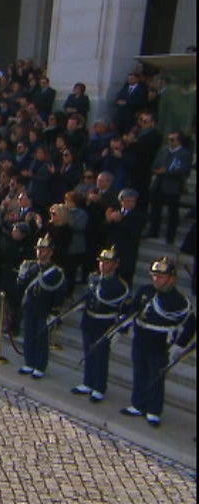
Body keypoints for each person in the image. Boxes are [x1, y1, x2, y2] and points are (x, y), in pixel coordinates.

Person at [120, 257, 195, 427]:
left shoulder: (179, 301)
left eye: (161, 276)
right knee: (140, 373)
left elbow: (190, 325)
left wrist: (179, 346)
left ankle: (154, 410)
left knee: (156, 377)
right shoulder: (146, 291)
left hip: (160, 343)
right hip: (141, 338)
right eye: (154, 275)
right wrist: (125, 319)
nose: (156, 279)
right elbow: (133, 309)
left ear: (172, 278)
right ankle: (138, 404)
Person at [72, 246, 131, 403]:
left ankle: (99, 387)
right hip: (90, 320)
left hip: (105, 323)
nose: (103, 265)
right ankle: (88, 382)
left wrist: (120, 330)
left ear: (116, 264)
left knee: (101, 357)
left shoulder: (120, 286)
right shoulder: (94, 278)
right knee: (88, 353)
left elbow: (125, 310)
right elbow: (89, 298)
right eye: (101, 262)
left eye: (107, 262)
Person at [17, 234, 66, 379]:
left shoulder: (56, 272)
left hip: (44, 309)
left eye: (43, 249)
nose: (40, 252)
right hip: (30, 306)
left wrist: (54, 311)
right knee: (28, 335)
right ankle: (29, 362)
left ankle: (40, 365)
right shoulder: (31, 266)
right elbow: (22, 287)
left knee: (41, 338)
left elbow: (59, 292)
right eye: (39, 249)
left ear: (50, 252)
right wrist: (21, 277)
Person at [147, 132, 192, 245]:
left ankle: (170, 235)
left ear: (178, 141)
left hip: (173, 186)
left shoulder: (184, 153)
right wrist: (157, 170)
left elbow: (184, 170)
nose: (169, 142)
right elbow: (155, 164)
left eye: (172, 140)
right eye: (168, 139)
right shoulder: (164, 151)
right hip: (159, 183)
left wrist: (167, 171)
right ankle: (153, 230)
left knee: (173, 212)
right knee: (155, 208)